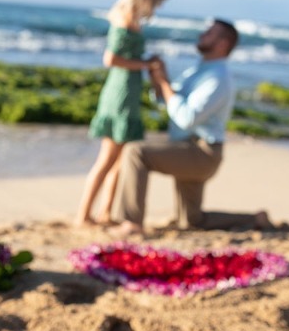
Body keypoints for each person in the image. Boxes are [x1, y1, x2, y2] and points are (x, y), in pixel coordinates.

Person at [112, 19, 273, 236]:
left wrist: (166, 85)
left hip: (202, 152)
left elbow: (187, 118)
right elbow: (167, 100)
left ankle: (132, 223)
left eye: (209, 33)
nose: (202, 35)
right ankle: (256, 219)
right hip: (188, 148)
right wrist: (159, 79)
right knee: (192, 220)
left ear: (223, 43)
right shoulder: (200, 70)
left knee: (136, 151)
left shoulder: (218, 77)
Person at [74, 0, 173, 227]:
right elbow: (111, 59)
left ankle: (105, 212)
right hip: (120, 91)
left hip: (128, 89)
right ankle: (83, 215)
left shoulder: (129, 15)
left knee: (119, 159)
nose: (160, 4)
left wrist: (146, 63)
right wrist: (145, 64)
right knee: (107, 159)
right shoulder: (125, 16)